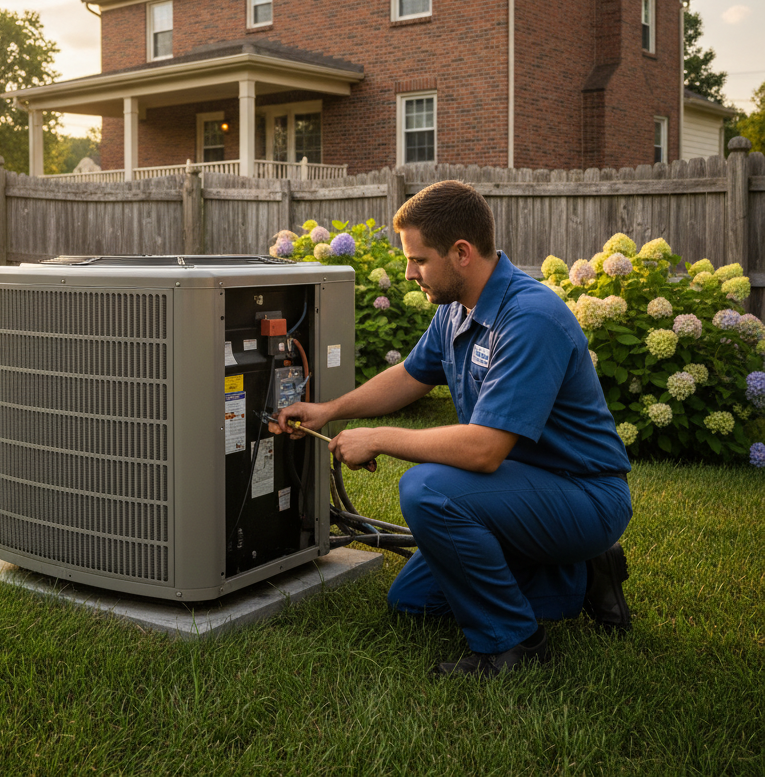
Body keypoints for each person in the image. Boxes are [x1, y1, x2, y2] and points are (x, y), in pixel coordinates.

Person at [269, 180, 633, 677]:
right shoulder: (456, 311)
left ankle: (514, 646)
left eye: (418, 259)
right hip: (517, 488)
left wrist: (379, 439)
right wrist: (329, 409)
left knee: (428, 490)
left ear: (461, 252)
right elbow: (409, 376)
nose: (408, 272)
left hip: (583, 494)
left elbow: (483, 451)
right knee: (413, 600)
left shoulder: (529, 319)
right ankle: (582, 574)